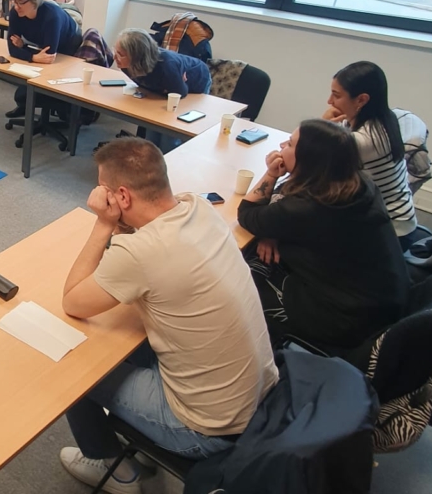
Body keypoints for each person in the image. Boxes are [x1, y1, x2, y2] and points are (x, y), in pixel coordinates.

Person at [59, 138, 278, 493]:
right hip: (257, 396)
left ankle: (113, 469)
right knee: (126, 337)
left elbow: (72, 301)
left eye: (105, 190)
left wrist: (102, 223)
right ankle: (138, 435)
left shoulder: (141, 253)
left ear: (123, 197)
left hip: (204, 430)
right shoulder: (199, 207)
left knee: (70, 368)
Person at [237, 119, 408, 353]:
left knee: (239, 283)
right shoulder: (357, 183)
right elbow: (284, 203)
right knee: (259, 252)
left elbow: (247, 213)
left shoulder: (306, 207)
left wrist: (270, 174)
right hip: (382, 300)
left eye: (291, 144)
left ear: (308, 160)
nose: (283, 144)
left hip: (344, 318)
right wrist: (271, 229)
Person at [323, 61, 419, 249]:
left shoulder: (365, 140)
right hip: (395, 217)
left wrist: (323, 124)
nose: (329, 101)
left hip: (390, 233)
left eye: (336, 95)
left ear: (361, 100)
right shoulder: (382, 118)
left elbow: (306, 160)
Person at [5, 0, 82, 119]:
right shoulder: (16, 13)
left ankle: (65, 114)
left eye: (21, 2)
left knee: (52, 77)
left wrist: (24, 48)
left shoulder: (51, 16)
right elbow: (11, 49)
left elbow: (49, 57)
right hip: (41, 44)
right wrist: (32, 56)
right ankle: (26, 106)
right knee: (26, 84)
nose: (16, 6)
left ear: (34, 2)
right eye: (14, 1)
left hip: (69, 44)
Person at [113, 28, 210, 98]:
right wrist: (162, 90)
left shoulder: (166, 67)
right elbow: (147, 86)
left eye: (121, 54)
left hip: (198, 77)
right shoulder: (125, 65)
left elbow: (180, 93)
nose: (115, 57)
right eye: (115, 51)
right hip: (172, 79)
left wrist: (171, 87)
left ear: (137, 57)